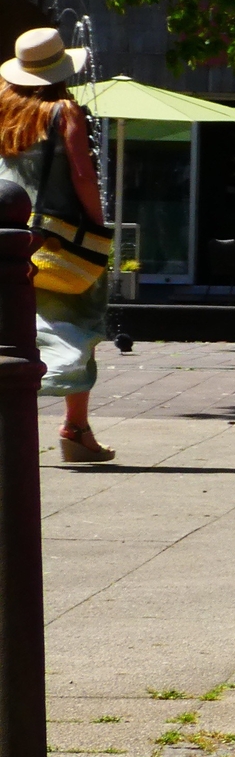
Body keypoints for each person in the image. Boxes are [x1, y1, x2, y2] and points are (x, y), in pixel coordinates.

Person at [0, 27, 111, 462]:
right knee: (77, 325)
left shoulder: (4, 109)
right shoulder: (64, 111)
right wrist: (99, 226)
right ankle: (75, 428)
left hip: (9, 239)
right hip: (59, 245)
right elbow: (83, 175)